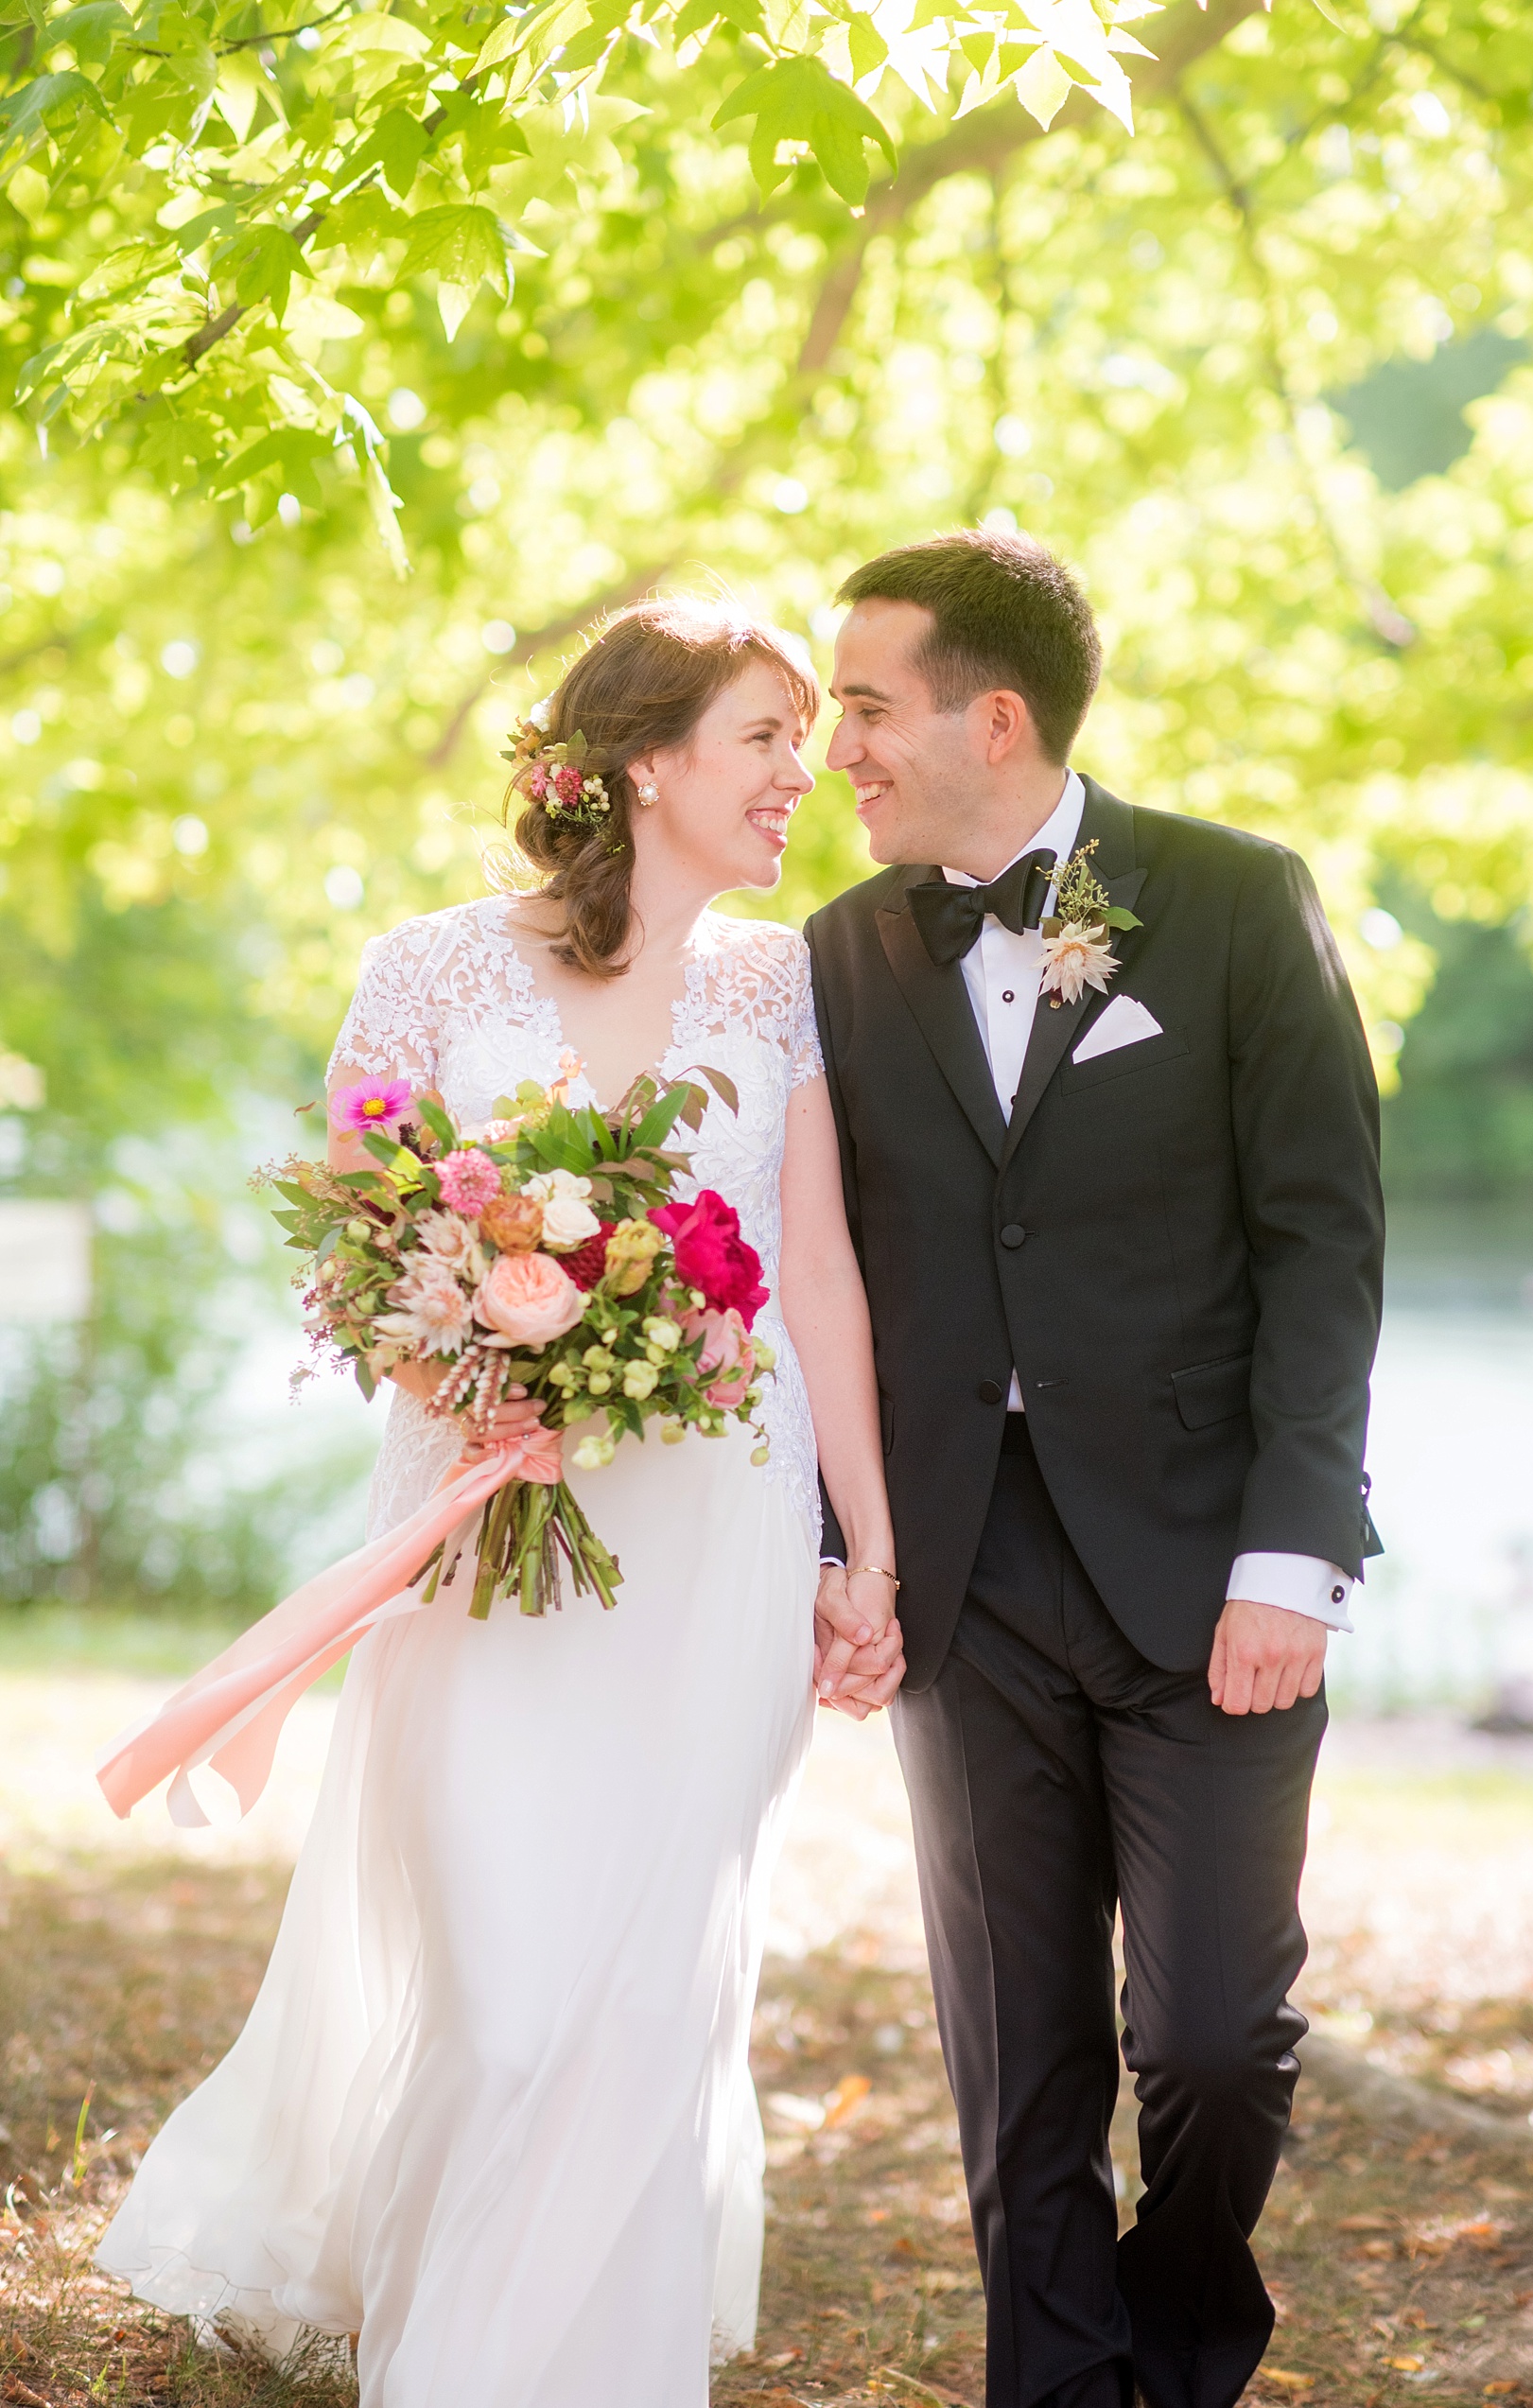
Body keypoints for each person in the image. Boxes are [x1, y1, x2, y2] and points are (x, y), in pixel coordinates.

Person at [96, 598, 903, 2405]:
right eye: (766, 739)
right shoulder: (430, 971)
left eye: (805, 739)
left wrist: (866, 1544)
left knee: (636, 1995)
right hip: (483, 1537)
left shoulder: (785, 987)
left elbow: (822, 1271)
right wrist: (485, 1365)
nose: (805, 776)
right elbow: (356, 1255)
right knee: (507, 1990)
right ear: (646, 764)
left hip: (724, 1541)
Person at [807, 532, 1384, 2408]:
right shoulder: (831, 957)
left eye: (867, 705)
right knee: (1017, 2047)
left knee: (1210, 2035)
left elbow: (1324, 1239)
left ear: (996, 713)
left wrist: (1292, 1552)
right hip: (967, 1579)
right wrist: (846, 1545)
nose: (839, 751)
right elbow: (813, 1275)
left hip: (1213, 1571)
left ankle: (1179, 2336)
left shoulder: (1229, 899)